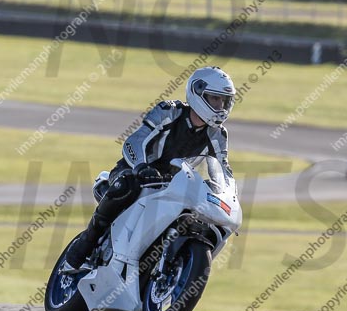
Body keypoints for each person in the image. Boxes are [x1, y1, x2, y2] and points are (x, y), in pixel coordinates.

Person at [64, 66, 236, 271]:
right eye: (215, 99)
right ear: (197, 92)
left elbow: (223, 170)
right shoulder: (169, 111)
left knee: (196, 213)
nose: (220, 106)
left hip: (174, 185)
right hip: (136, 171)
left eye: (224, 101)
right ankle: (86, 243)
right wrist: (141, 167)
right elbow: (134, 141)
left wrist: (228, 195)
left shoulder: (219, 135)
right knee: (126, 185)